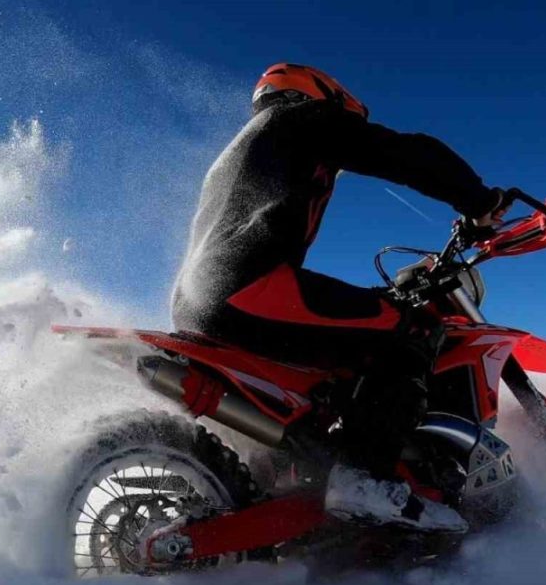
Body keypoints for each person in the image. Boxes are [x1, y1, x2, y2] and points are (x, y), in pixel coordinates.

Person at [171, 63, 507, 533]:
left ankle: (308, 471)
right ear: (321, 93)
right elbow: (406, 154)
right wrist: (480, 201)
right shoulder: (299, 120)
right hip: (249, 289)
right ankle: (364, 480)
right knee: (414, 329)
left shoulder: (241, 149)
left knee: (360, 334)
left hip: (202, 297)